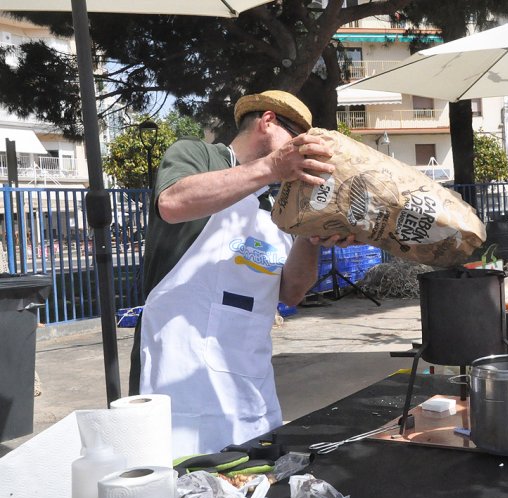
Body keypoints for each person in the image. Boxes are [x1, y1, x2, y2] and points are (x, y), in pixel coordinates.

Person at [128, 90, 355, 457]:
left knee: (252, 482)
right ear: (268, 121)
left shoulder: (277, 204)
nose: (301, 155)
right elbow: (172, 203)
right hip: (178, 368)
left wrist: (311, 237)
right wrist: (272, 167)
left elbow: (291, 292)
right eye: (296, 141)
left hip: (249, 381)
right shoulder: (197, 154)